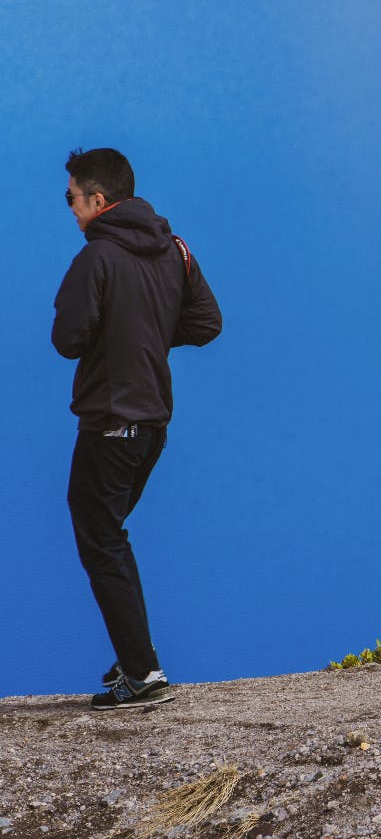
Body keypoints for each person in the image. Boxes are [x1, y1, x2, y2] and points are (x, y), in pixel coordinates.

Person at [52, 148, 222, 710]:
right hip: (151, 427)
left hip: (108, 424)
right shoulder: (175, 250)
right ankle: (133, 655)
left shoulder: (97, 257)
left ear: (99, 200)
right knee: (110, 536)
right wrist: (143, 332)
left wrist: (123, 332)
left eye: (72, 198)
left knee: (101, 542)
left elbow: (68, 339)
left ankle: (144, 674)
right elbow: (206, 322)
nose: (71, 210)